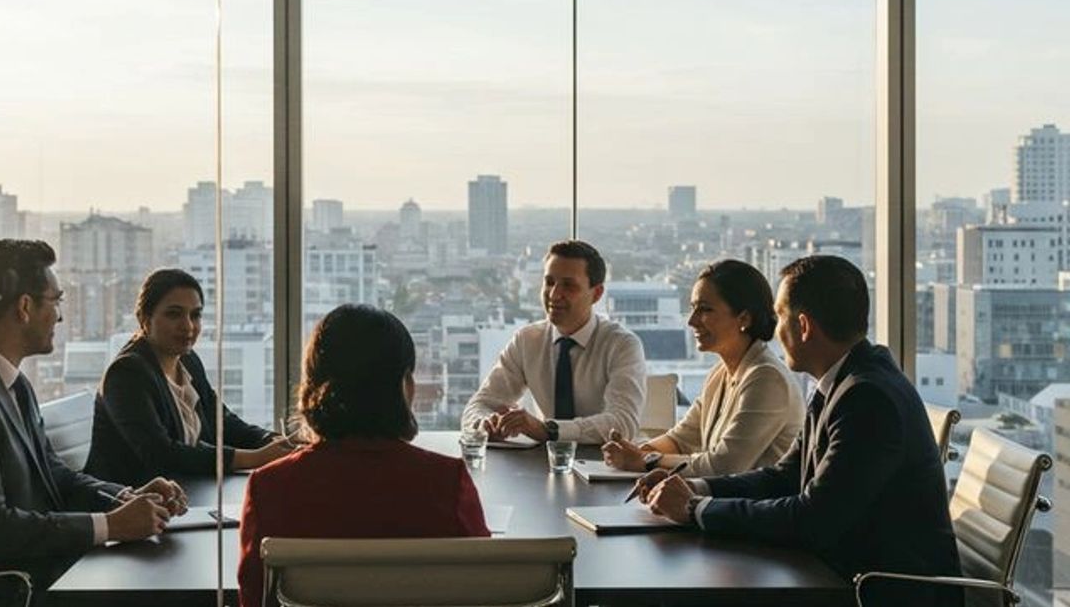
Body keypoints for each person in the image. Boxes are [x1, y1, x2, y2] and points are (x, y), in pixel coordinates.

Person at [645, 255, 962, 607]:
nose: (775, 329)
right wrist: (699, 488)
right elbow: (786, 476)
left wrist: (694, 509)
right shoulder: (842, 382)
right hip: (841, 573)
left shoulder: (867, 398)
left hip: (881, 590)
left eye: (780, 316)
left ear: (805, 326)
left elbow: (813, 519)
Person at [0, 240, 187, 607]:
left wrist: (124, 496)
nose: (60, 317)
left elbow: (53, 474)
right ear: (25, 307)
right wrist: (112, 526)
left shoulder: (8, 381)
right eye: (56, 301)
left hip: (34, 575)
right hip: (1, 592)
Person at [237, 304, 489, 607]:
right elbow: (481, 587)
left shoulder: (269, 487)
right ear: (404, 386)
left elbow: (254, 597)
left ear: (312, 387)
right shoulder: (447, 483)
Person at [85, 269, 291, 485]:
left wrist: (271, 441)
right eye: (174, 314)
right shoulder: (126, 373)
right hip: (136, 502)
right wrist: (256, 458)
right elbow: (161, 454)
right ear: (144, 319)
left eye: (195, 315)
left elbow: (223, 423)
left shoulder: (188, 361)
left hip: (190, 489)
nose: (188, 326)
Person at [602, 260, 803, 476]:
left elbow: (722, 466)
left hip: (753, 507)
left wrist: (646, 460)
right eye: (692, 308)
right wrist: (636, 452)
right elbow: (680, 439)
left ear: (744, 318)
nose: (692, 321)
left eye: (705, 309)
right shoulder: (720, 373)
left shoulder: (767, 379)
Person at [460, 240, 646, 444]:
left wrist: (549, 430)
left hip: (606, 466)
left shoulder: (621, 345)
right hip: (544, 465)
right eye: (549, 282)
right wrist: (485, 424)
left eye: (569, 285)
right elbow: (480, 404)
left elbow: (623, 423)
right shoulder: (527, 341)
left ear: (597, 293)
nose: (554, 294)